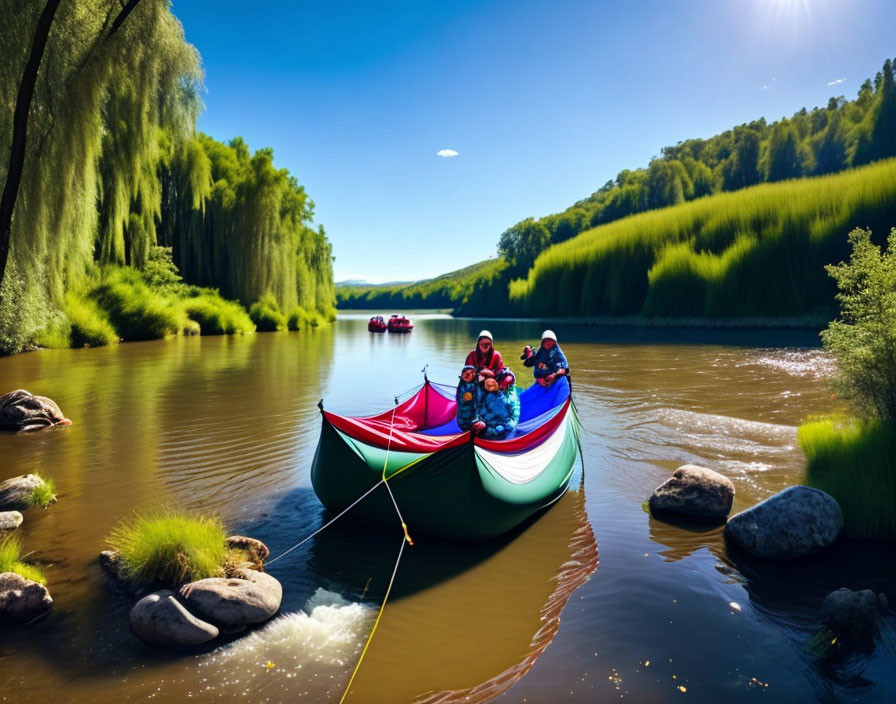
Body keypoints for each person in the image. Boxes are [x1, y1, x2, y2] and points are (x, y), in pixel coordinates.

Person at [471, 368, 520, 439]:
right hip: (487, 427)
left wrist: (508, 427)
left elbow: (515, 415)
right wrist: (478, 421)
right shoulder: (488, 394)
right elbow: (480, 409)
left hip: (502, 430)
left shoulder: (512, 398)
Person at [455, 364, 480, 431]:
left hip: (474, 417)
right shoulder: (464, 388)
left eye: (472, 373)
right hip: (465, 420)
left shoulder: (476, 385)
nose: (470, 376)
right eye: (467, 374)